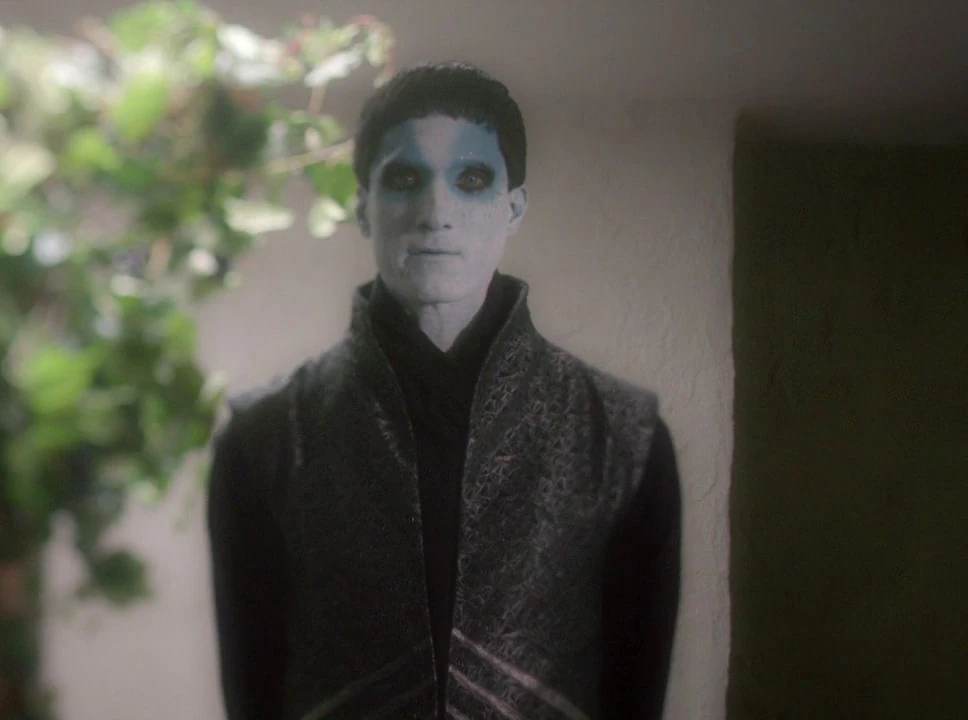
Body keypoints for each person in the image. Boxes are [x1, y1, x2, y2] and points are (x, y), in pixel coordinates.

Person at [207, 61, 681, 720]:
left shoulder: (622, 438)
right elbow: (253, 694)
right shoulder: (264, 439)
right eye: (405, 179)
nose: (436, 213)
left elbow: (635, 696)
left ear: (513, 207)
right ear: (363, 208)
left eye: (472, 179)